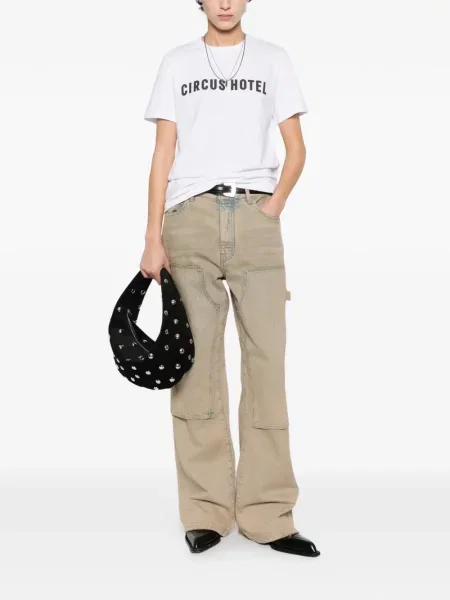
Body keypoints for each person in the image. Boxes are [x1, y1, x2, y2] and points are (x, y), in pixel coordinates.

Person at [140, 0, 320, 557]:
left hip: (256, 218)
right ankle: (205, 511)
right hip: (189, 219)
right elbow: (163, 152)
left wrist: (274, 205)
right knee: (195, 369)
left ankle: (269, 514)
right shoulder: (177, 63)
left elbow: (296, 147)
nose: (224, 2)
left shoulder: (273, 59)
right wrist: (152, 237)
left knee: (267, 366)